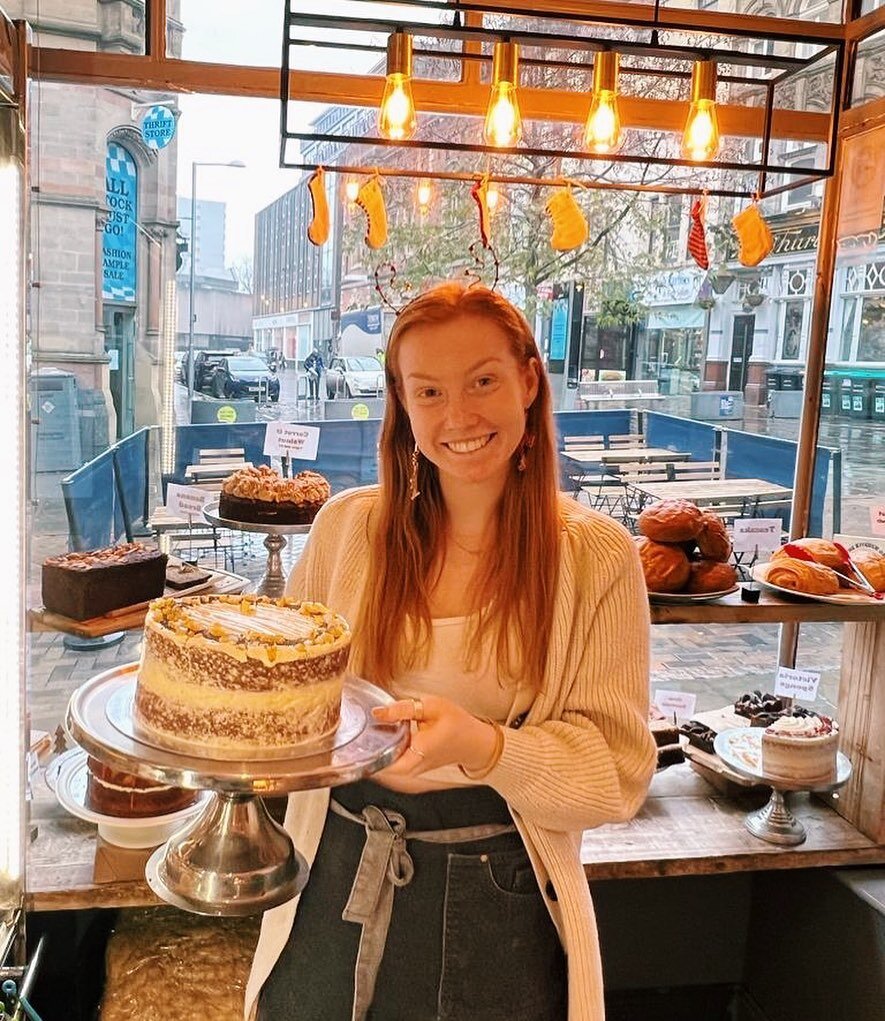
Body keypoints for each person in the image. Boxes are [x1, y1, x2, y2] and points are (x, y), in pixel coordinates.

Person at [246, 282, 655, 1021]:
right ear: (401, 403)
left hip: (498, 886)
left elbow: (615, 776)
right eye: (428, 390)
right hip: (333, 863)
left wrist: (486, 746)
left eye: (483, 381)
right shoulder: (346, 530)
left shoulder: (596, 556)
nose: (458, 416)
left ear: (528, 379)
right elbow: (284, 697)